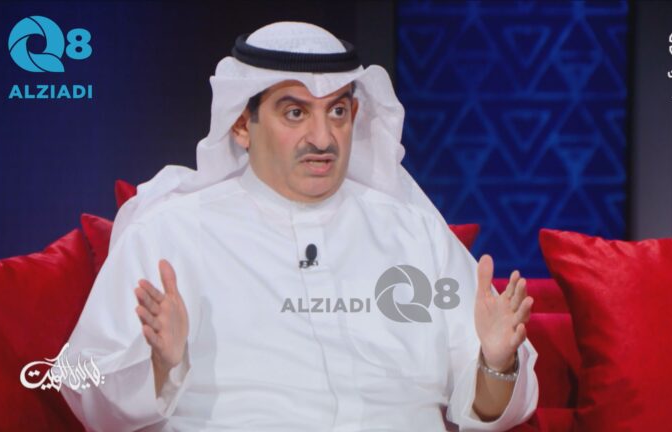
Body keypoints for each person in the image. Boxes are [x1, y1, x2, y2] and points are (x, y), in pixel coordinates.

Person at [60, 22, 538, 431]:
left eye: (337, 111)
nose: (323, 138)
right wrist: (159, 366)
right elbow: (85, 389)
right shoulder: (171, 231)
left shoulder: (414, 231)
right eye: (295, 113)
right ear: (242, 125)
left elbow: (488, 406)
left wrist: (497, 363)